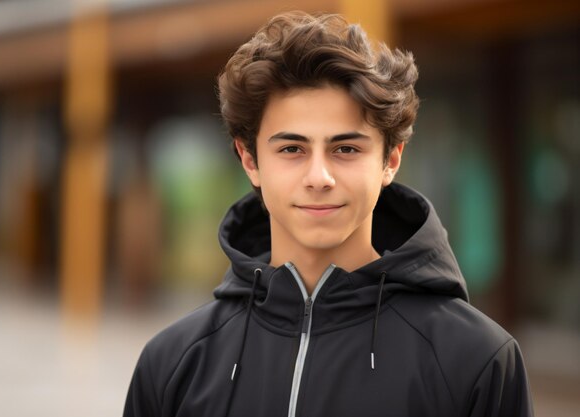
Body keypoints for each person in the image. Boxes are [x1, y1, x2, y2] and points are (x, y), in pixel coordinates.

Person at [124, 11, 533, 417]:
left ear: (391, 159)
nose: (319, 177)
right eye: (291, 149)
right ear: (250, 161)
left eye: (346, 149)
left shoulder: (477, 361)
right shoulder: (172, 363)